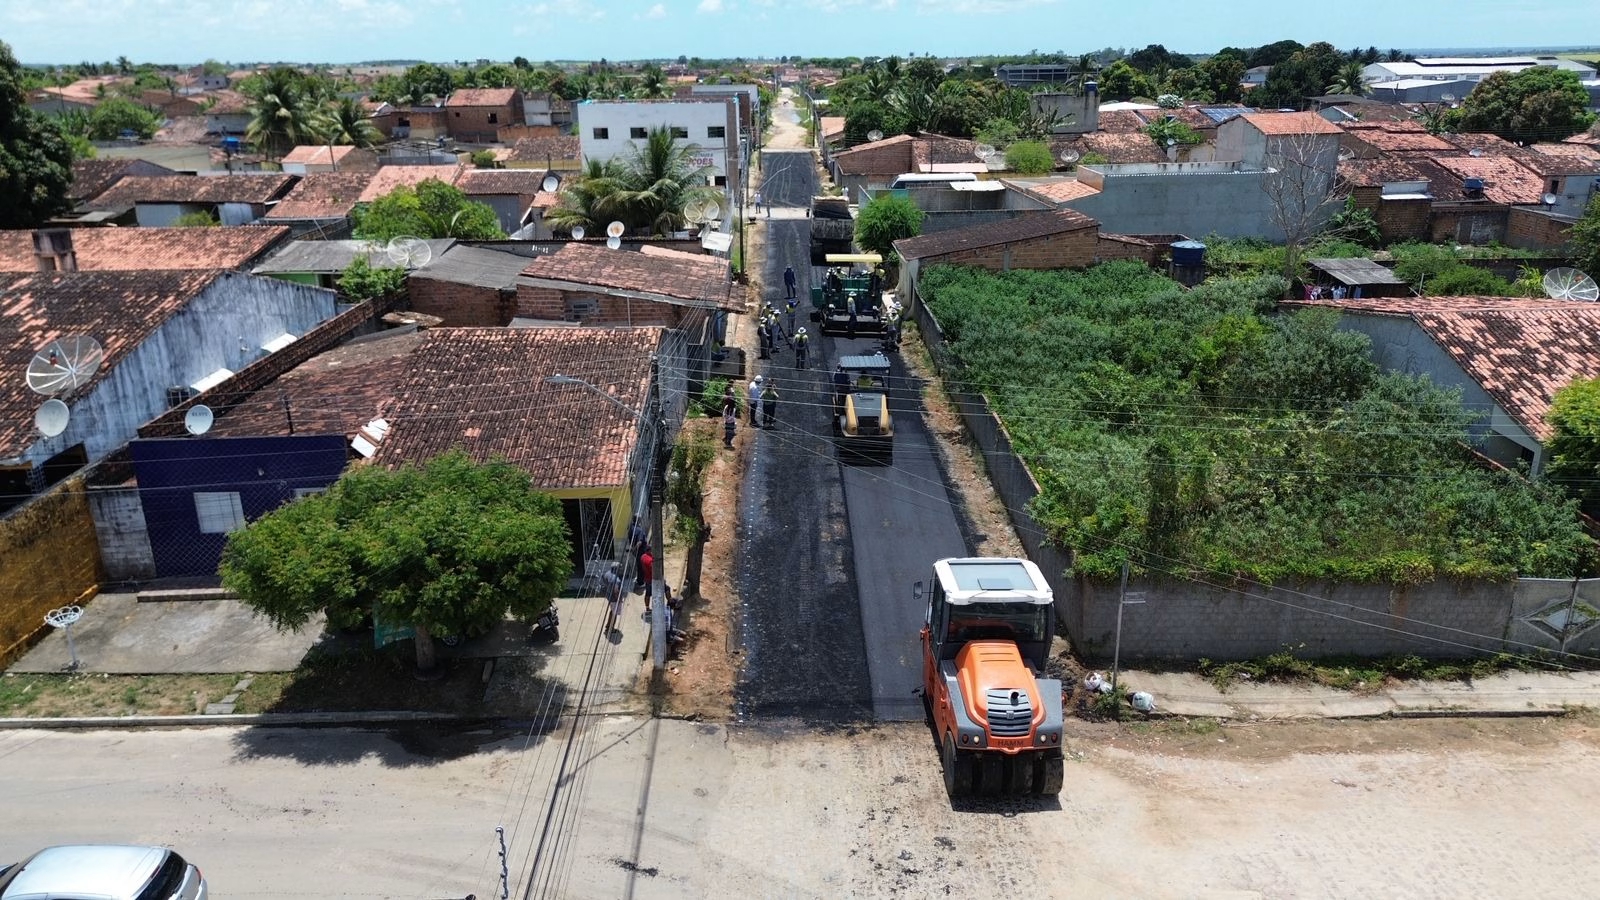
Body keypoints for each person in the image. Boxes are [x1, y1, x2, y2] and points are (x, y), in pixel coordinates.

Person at [600, 563, 624, 635]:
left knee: (612, 611)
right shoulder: (616, 579)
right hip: (614, 599)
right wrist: (619, 600)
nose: (620, 570)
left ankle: (608, 625)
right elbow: (616, 591)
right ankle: (611, 628)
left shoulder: (606, 574)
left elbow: (603, 581)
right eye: (619, 568)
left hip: (609, 596)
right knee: (614, 613)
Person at [638, 548, 655, 614]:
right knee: (666, 589)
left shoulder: (643, 556)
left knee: (647, 594)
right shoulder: (650, 560)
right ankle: (671, 602)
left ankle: (647, 608)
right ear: (649, 551)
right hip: (652, 579)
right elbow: (653, 570)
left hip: (646, 579)